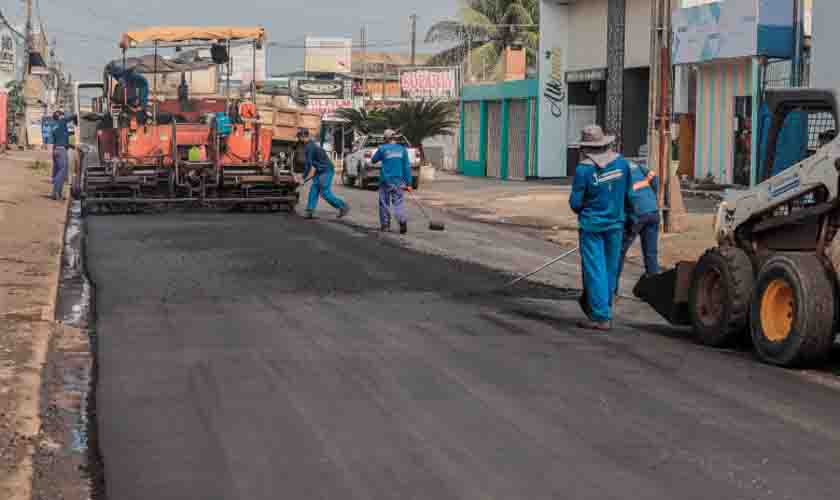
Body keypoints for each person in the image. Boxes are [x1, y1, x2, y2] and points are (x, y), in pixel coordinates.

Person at [569, 125, 632, 331]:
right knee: (610, 269)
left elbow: (575, 203)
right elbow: (629, 194)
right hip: (616, 224)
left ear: (585, 148)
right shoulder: (622, 163)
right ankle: (605, 309)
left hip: (592, 226)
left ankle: (600, 316)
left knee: (595, 270)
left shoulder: (584, 170)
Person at [615, 160, 660, 297]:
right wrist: (651, 198)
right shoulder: (635, 165)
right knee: (651, 253)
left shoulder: (615, 171)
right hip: (653, 210)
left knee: (619, 251)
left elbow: (616, 197)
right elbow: (654, 178)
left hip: (637, 213)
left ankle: (611, 289)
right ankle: (654, 291)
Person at [299, 128, 349, 219]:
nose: (299, 140)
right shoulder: (311, 145)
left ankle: (342, 206)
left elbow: (309, 165)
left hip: (326, 170)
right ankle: (309, 211)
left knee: (324, 192)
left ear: (303, 137)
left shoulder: (309, 147)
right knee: (314, 189)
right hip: (320, 170)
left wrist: (303, 178)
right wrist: (304, 177)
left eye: (299, 137)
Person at [371, 129, 412, 234]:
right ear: (395, 138)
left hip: (385, 180)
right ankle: (402, 221)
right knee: (398, 203)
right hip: (398, 181)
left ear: (385, 139)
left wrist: (381, 154)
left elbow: (373, 160)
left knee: (384, 203)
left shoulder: (382, 148)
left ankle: (385, 225)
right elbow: (406, 167)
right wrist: (409, 183)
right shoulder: (402, 149)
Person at [50, 110, 77, 200]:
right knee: (62, 172)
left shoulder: (54, 125)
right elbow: (73, 116)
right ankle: (55, 193)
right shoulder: (62, 121)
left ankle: (58, 194)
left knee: (59, 172)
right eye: (63, 115)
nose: (64, 116)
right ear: (60, 116)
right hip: (61, 151)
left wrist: (71, 145)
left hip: (55, 150)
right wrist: (77, 118)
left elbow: (61, 137)